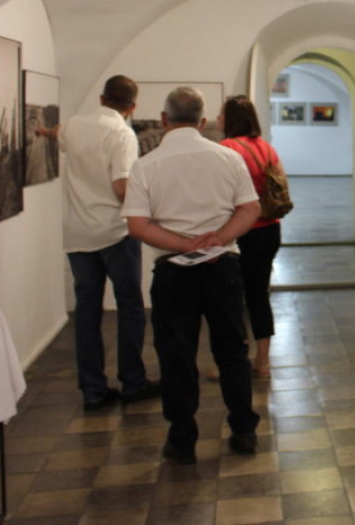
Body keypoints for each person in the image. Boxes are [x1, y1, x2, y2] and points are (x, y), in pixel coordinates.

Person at [123, 87, 261, 464]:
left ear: (165, 119)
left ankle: (182, 437)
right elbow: (250, 209)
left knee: (176, 355)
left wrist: (183, 245)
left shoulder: (145, 164)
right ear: (202, 122)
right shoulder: (227, 158)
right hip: (223, 267)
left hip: (173, 273)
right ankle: (244, 430)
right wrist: (219, 238)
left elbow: (137, 225)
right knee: (232, 350)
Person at [47, 75, 159, 410]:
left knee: (86, 311)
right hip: (114, 232)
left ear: (101, 98)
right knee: (130, 307)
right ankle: (132, 381)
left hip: (78, 234)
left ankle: (93, 390)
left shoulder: (74, 126)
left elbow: (59, 134)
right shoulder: (122, 133)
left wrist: (45, 132)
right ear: (132, 106)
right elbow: (121, 187)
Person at [218, 95, 284, 378]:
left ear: (229, 119)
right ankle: (263, 361)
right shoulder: (266, 148)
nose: (218, 119)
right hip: (270, 229)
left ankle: (234, 362)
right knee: (259, 295)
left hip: (240, 231)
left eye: (222, 114)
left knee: (231, 298)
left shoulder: (226, 148)